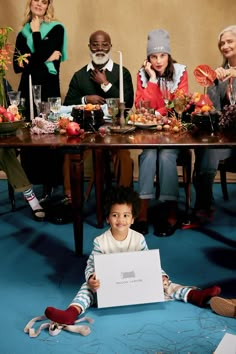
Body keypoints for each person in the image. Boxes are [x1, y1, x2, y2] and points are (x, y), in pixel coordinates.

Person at [44, 186, 221, 325]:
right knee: (87, 288)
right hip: (111, 285)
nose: (120, 220)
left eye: (125, 215)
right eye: (115, 215)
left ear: (133, 219)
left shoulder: (138, 238)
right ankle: (71, 312)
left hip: (135, 282)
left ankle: (194, 296)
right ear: (108, 218)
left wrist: (161, 277)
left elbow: (148, 263)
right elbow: (91, 264)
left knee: (166, 284)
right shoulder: (100, 241)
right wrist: (92, 278)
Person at [132, 29, 189, 236]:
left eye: (162, 55)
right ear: (148, 58)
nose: (158, 60)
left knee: (165, 156)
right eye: (153, 56)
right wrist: (153, 80)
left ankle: (171, 213)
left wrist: (158, 111)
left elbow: (179, 105)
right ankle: (143, 213)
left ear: (169, 55)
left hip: (173, 133)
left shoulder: (181, 72)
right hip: (149, 135)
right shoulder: (143, 75)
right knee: (148, 155)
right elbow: (140, 107)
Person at [13, 0, 68, 204]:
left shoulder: (57, 29)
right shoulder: (21, 34)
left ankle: (52, 185)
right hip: (27, 90)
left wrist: (36, 34)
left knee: (51, 138)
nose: (39, 3)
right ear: (30, 3)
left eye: (44, 1)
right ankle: (32, 186)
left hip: (49, 90)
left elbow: (45, 57)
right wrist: (44, 57)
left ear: (47, 6)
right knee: (29, 138)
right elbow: (18, 67)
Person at [63, 30, 134, 189]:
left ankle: (123, 201)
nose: (100, 49)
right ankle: (71, 199)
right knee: (70, 154)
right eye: (95, 45)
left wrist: (105, 84)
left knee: (123, 155)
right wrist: (85, 99)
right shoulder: (80, 75)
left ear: (110, 47)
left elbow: (128, 103)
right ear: (89, 47)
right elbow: (67, 104)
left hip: (116, 128)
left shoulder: (122, 72)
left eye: (104, 45)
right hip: (86, 130)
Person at [198, 24, 236, 208]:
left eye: (230, 41)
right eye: (222, 43)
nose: (225, 46)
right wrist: (213, 83)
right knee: (206, 150)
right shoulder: (219, 73)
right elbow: (213, 110)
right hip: (226, 138)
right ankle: (204, 206)